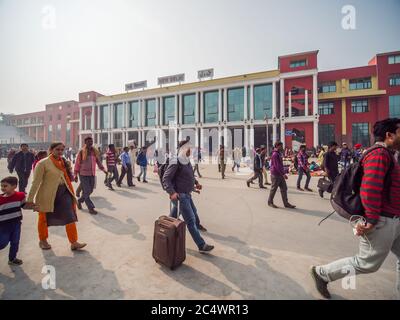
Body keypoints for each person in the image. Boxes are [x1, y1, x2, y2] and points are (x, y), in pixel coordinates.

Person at [310, 118, 400, 299]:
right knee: (367, 263)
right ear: (389, 135)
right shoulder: (379, 154)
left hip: (394, 217)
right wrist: (372, 219)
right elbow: (370, 189)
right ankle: (322, 273)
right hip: (383, 219)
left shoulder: (389, 154)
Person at [26, 142, 87, 251]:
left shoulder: (62, 161)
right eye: (57, 149)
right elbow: (35, 183)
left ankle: (74, 242)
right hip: (47, 194)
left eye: (61, 150)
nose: (60, 152)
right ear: (51, 149)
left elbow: (67, 177)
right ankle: (43, 240)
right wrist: (30, 200)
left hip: (64, 192)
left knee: (70, 216)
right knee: (44, 217)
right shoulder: (42, 163)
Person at [162, 139, 214, 253]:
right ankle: (201, 245)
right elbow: (166, 178)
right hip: (180, 196)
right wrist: (172, 192)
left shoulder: (185, 160)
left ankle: (165, 231)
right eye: (189, 148)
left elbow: (189, 175)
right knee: (190, 220)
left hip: (187, 194)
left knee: (178, 215)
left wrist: (196, 183)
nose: (191, 150)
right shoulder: (176, 161)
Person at [0, 176, 35, 265]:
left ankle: (12, 259)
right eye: (2, 186)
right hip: (3, 226)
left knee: (15, 242)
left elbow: (23, 206)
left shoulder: (20, 196)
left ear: (14, 186)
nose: (2, 188)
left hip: (16, 224)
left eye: (5, 186)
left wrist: (33, 206)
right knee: (2, 243)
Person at [74, 137, 107, 215]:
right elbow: (77, 164)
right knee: (87, 191)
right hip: (83, 174)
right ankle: (91, 208)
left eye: (91, 141)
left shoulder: (94, 152)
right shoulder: (81, 152)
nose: (90, 143)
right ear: (85, 143)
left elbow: (98, 162)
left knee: (90, 190)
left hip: (92, 174)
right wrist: (75, 174)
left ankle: (79, 201)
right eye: (88, 142)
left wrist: (104, 170)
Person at [268, 142, 296, 209]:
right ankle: (270, 202)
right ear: (277, 146)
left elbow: (280, 165)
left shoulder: (278, 153)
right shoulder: (275, 154)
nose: (282, 147)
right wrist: (283, 174)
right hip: (276, 174)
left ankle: (286, 203)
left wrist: (284, 172)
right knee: (273, 189)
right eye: (281, 146)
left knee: (284, 188)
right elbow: (277, 166)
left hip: (279, 174)